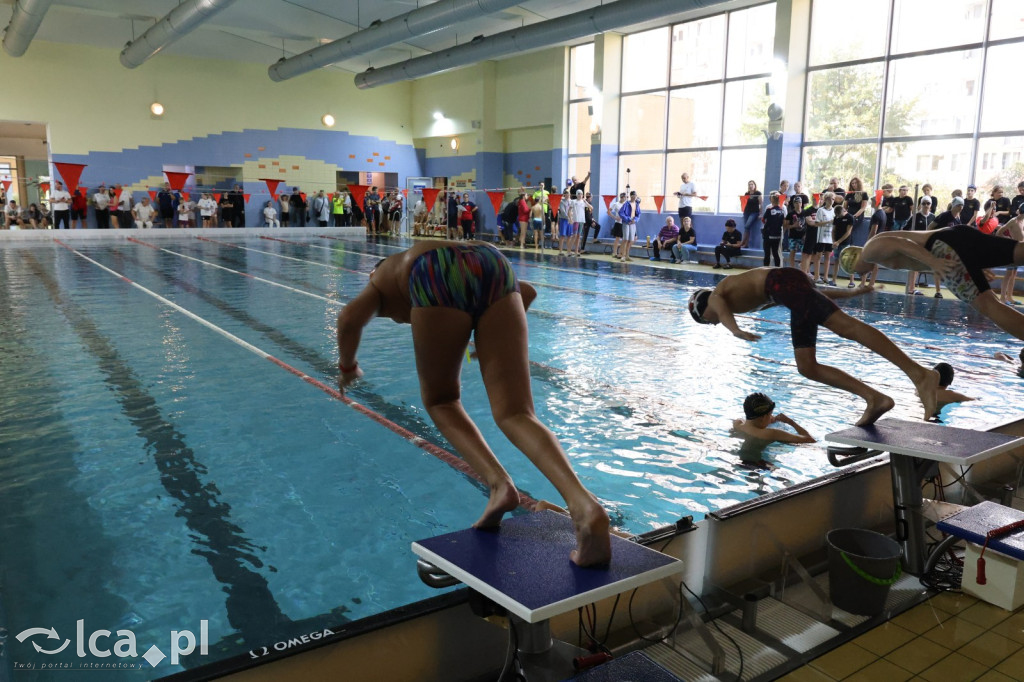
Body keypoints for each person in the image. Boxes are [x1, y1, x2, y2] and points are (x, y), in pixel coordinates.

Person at [336, 240, 612, 566]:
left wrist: (347, 366)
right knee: (516, 413)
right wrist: (490, 339)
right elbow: (525, 292)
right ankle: (584, 506)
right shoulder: (406, 267)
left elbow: (349, 318)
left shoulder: (380, 279)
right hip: (493, 262)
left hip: (435, 273)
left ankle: (500, 486)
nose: (405, 320)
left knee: (442, 401)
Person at [688, 267, 940, 424]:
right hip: (788, 287)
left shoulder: (719, 293)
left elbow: (720, 308)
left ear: (703, 309)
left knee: (846, 327)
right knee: (807, 366)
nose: (713, 324)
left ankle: (919, 374)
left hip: (783, 283)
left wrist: (735, 330)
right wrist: (850, 293)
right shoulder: (744, 297)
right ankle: (875, 398)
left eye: (707, 322)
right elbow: (807, 292)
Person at [850, 223, 1024, 342]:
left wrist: (933, 261)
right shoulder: (876, 253)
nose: (858, 273)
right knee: (1018, 252)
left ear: (853, 258)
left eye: (853, 269)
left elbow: (901, 244)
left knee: (988, 305)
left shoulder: (868, 251)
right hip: (955, 236)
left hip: (943, 248)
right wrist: (972, 267)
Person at [732, 392, 816, 458]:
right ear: (763, 417)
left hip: (741, 458)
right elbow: (810, 440)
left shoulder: (738, 424)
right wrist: (790, 422)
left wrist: (766, 419)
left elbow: (752, 420)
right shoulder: (771, 433)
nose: (772, 417)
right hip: (758, 465)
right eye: (770, 414)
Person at [906, 197, 938, 297]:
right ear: (920, 205)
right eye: (923, 203)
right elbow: (906, 229)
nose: (925, 205)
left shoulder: (933, 217)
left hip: (928, 245)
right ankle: (911, 288)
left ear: (930, 205)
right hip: (916, 244)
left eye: (928, 203)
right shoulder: (915, 217)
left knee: (920, 266)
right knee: (914, 265)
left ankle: (913, 287)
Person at [762, 191, 785, 267]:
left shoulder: (769, 209)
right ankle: (777, 270)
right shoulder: (782, 210)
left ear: (772, 200)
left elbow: (763, 220)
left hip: (768, 234)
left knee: (767, 253)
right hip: (777, 234)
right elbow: (783, 221)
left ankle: (765, 269)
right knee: (776, 253)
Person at [617, 191, 641, 262]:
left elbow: (638, 214)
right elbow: (621, 212)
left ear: (636, 196)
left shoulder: (636, 204)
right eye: (632, 196)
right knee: (625, 239)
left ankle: (627, 255)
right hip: (626, 222)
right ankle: (623, 255)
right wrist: (628, 219)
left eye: (635, 196)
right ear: (630, 196)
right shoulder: (626, 204)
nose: (634, 197)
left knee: (630, 240)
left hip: (633, 223)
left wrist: (635, 220)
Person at [785, 197, 806, 270]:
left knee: (805, 253)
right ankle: (792, 268)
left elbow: (808, 225)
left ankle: (803, 267)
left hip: (802, 237)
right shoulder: (790, 214)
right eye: (796, 203)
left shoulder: (805, 213)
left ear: (802, 203)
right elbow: (785, 225)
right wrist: (794, 225)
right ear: (794, 204)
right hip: (793, 237)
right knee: (792, 252)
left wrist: (806, 235)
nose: (798, 204)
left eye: (799, 202)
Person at [741, 180, 762, 248]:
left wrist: (760, 213)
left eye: (752, 184)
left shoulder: (758, 193)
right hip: (746, 212)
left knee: (747, 226)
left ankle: (742, 242)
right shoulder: (747, 194)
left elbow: (761, 204)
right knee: (747, 228)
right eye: (749, 184)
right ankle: (746, 244)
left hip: (754, 212)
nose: (750, 186)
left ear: (754, 185)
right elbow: (744, 203)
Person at [608, 192, 625, 258]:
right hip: (618, 223)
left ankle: (620, 252)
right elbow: (608, 211)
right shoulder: (616, 204)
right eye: (622, 197)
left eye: (624, 197)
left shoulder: (625, 205)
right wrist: (615, 217)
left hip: (624, 223)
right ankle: (614, 252)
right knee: (617, 238)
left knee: (624, 239)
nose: (623, 198)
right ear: (621, 197)